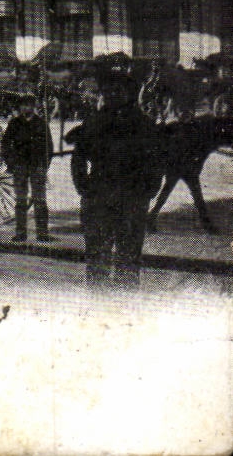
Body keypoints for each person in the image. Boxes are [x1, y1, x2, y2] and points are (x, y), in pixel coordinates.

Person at [67, 53, 163, 289]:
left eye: (119, 90)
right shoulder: (93, 123)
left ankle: (125, 314)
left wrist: (146, 193)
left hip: (132, 201)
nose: (113, 94)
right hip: (98, 200)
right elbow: (78, 159)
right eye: (109, 90)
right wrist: (85, 189)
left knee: (128, 262)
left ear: (130, 93)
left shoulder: (144, 124)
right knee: (97, 262)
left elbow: (156, 162)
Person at [1, 98, 53, 242]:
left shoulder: (41, 124)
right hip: (20, 166)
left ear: (34, 106)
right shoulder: (14, 123)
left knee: (40, 200)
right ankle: (20, 233)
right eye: (23, 105)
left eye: (29, 105)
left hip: (37, 166)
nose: (26, 108)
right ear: (20, 107)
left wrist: (44, 166)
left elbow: (49, 147)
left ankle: (42, 233)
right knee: (20, 200)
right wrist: (11, 164)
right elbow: (5, 145)